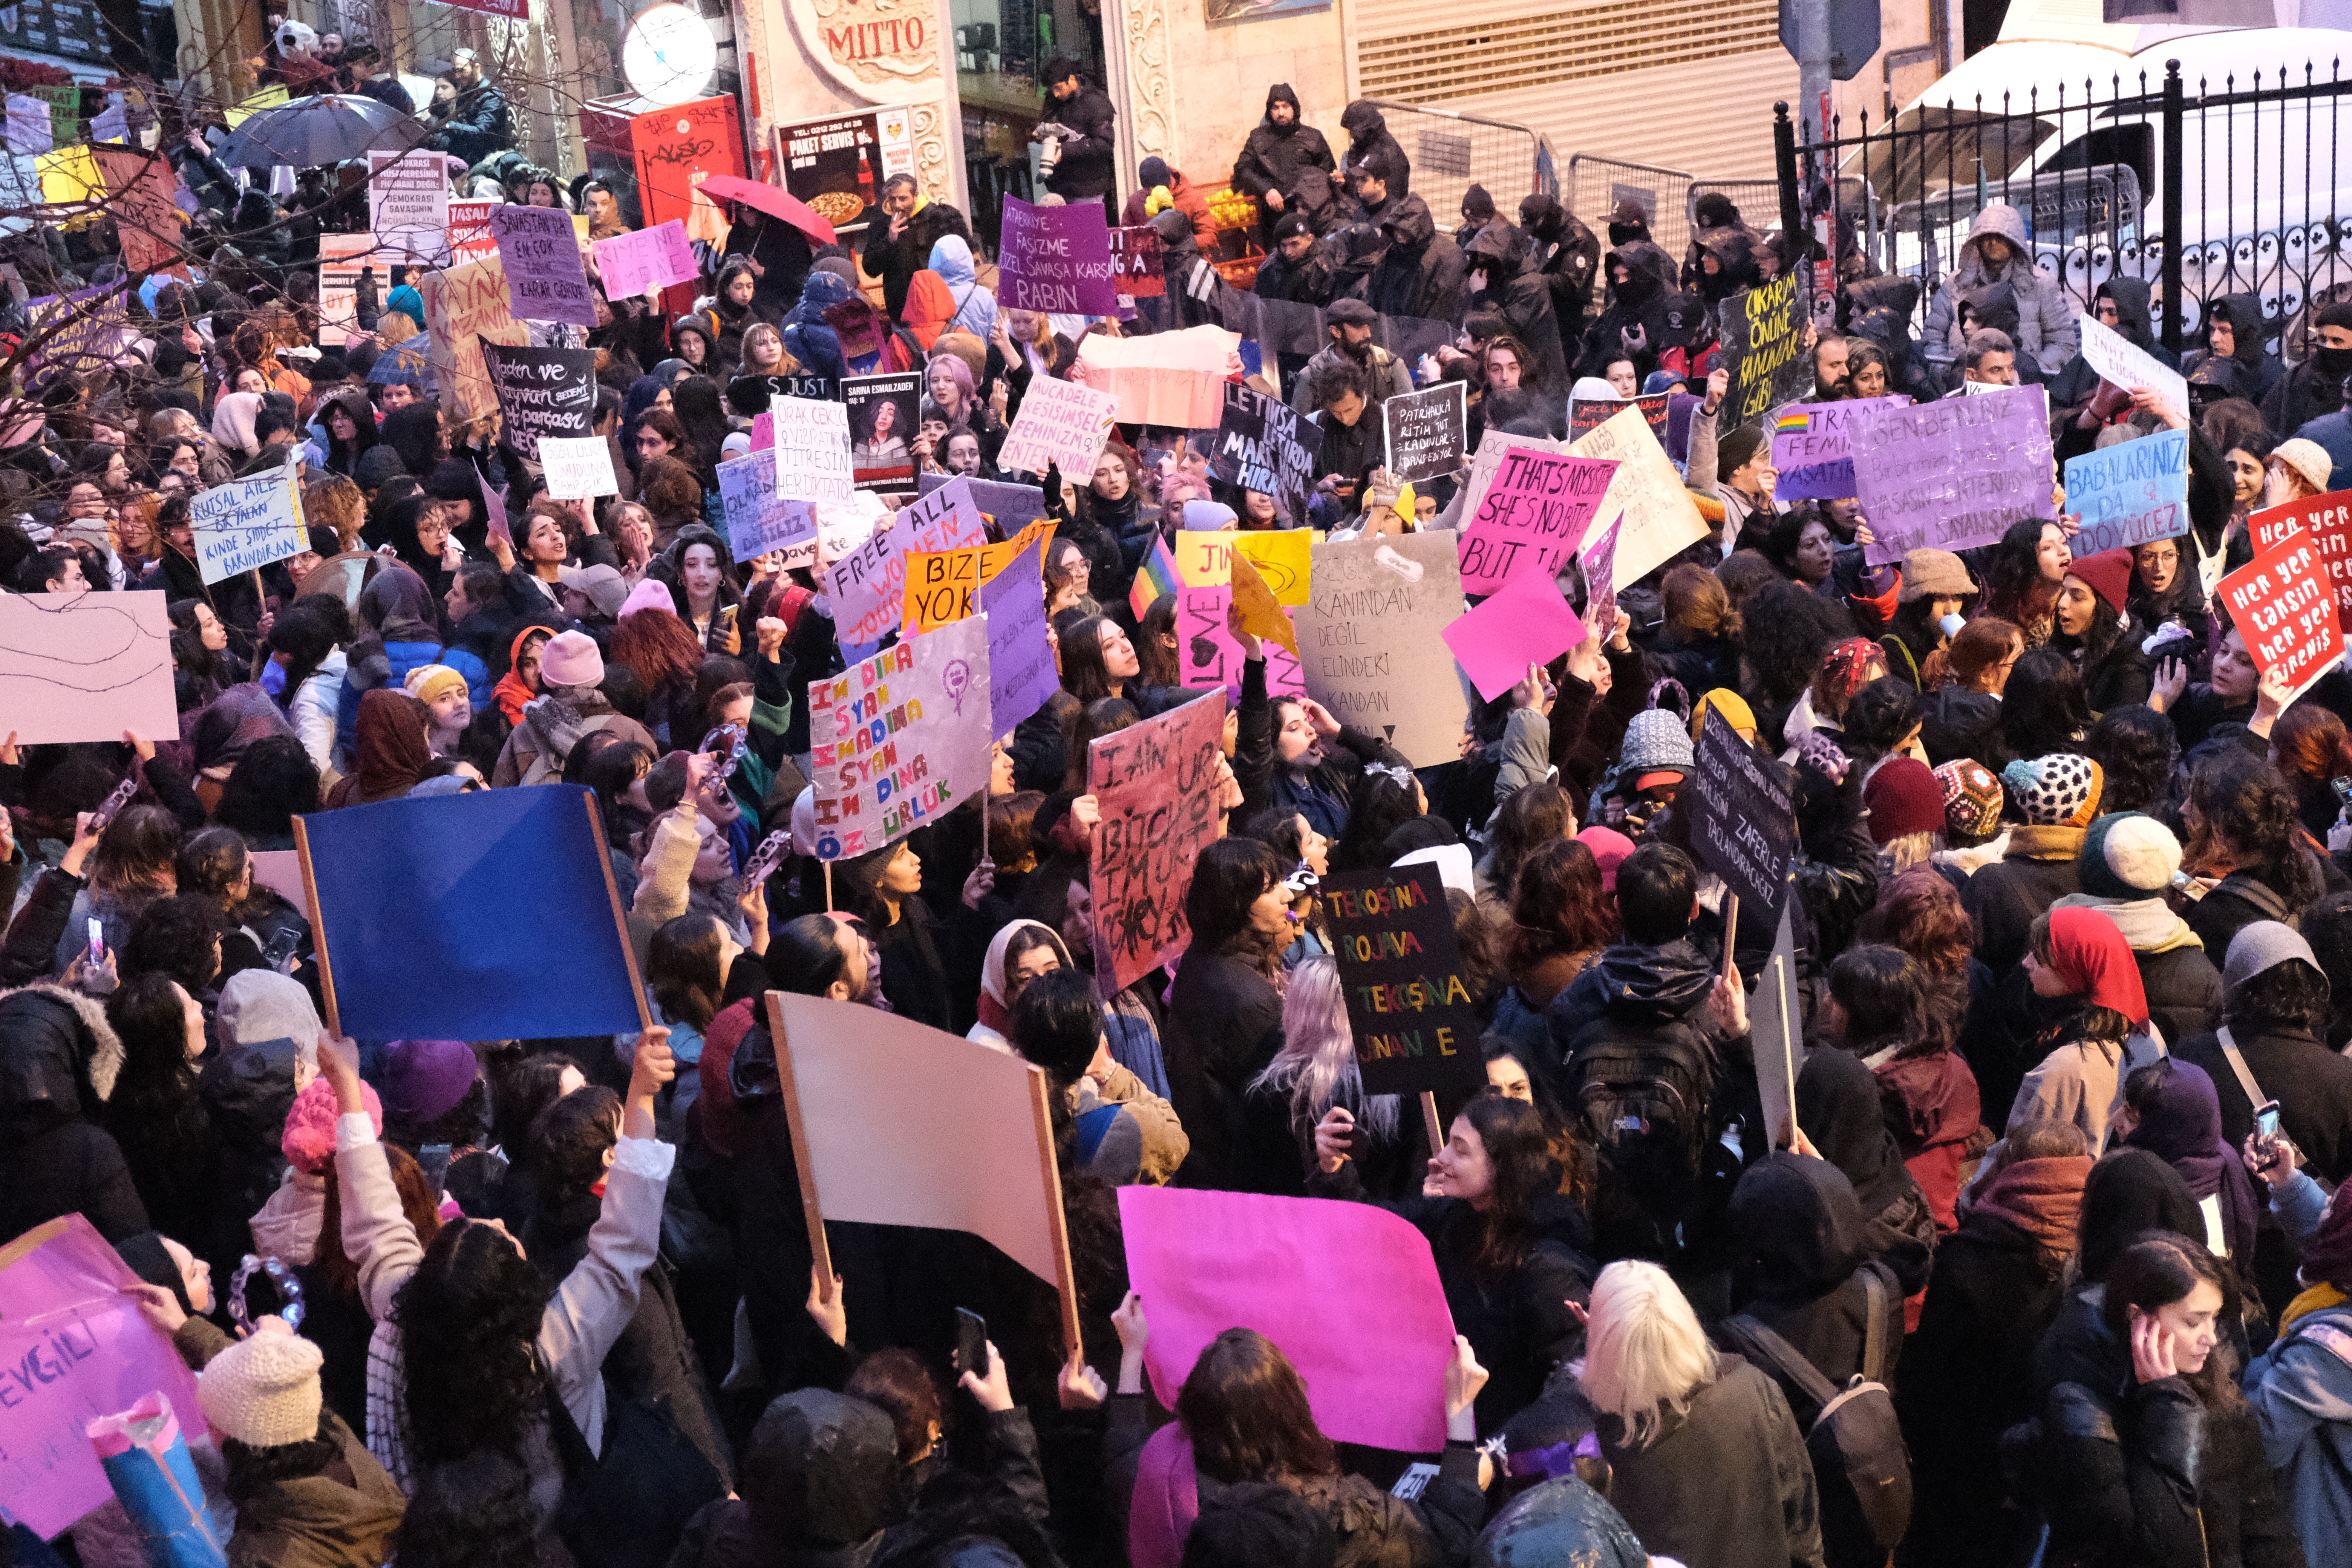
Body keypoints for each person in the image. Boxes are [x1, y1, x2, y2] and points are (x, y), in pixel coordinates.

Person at [1104, 1298, 1488, 1566]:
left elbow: (1121, 1454)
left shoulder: (1152, 1473)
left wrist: (1131, 1354)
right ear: (1292, 1410)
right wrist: (1460, 1420)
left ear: (1192, 1404)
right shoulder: (1332, 1512)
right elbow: (1443, 1537)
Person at [1310, 1093, 1594, 1427]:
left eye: (1461, 1150)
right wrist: (1336, 1170)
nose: (1441, 1158)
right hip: (1454, 1427)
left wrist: (1507, 1453)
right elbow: (1379, 1229)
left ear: (1504, 1166)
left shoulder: (1547, 1266)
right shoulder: (1455, 1216)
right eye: (1449, 1143)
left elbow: (1573, 1382)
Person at [2029, 1230, 2304, 1568]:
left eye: (2214, 1319)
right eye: (2193, 1321)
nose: (2212, 1339)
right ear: (2138, 1318)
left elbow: (2262, 1524)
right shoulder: (2083, 1408)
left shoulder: (2219, 1392)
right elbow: (2153, 1544)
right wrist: (2167, 1406)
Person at [1578, 1259, 1825, 1568]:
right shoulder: (1754, 1387)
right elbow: (1802, 1518)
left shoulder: (1602, 1442)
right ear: (1685, 1319)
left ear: (1603, 1344)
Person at [1923, 201, 2078, 368]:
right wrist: (1947, 372)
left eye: (2001, 238)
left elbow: (2062, 341)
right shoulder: (1956, 284)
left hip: (2023, 385)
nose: (1993, 243)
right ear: (1977, 241)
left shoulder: (2041, 284)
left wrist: (2029, 374)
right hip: (1963, 384)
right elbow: (1934, 336)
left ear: (2015, 242)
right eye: (1987, 237)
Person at [862, 175, 976, 323]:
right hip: (902, 314)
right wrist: (889, 241)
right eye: (892, 199)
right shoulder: (881, 225)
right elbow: (870, 269)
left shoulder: (941, 218)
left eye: (903, 199)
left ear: (916, 196)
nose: (898, 206)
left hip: (941, 310)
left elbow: (964, 261)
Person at [1231, 85, 1335, 239]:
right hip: (1274, 216)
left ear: (1294, 108)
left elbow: (1327, 171)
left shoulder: (1313, 137)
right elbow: (1243, 169)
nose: (1281, 113)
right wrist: (1267, 190)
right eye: (1276, 108)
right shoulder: (1258, 138)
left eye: (1286, 107)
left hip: (1311, 215)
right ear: (1269, 111)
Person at [1036, 57, 1117, 208]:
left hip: (1087, 189)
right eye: (1052, 90)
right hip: (1062, 186)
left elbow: (1104, 145)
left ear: (1072, 80)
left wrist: (1065, 151)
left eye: (1058, 88)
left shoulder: (1095, 103)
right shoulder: (1057, 103)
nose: (1056, 94)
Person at [427, 48, 514, 165]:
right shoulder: (465, 91)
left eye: (462, 71)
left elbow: (481, 132)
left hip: (487, 160)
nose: (458, 76)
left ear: (477, 68)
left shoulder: (491, 95)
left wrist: (448, 125)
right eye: (455, 71)